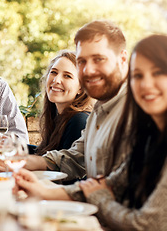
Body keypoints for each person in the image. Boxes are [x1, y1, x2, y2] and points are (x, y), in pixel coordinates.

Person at [11, 20, 130, 200]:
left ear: (121, 59)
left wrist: (46, 192)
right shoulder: (100, 109)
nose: (88, 70)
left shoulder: (136, 111)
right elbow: (75, 157)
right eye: (82, 61)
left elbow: (115, 189)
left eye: (98, 59)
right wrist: (25, 162)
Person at [78, 34, 167, 230]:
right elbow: (108, 184)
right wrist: (39, 189)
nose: (146, 84)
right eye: (138, 75)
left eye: (158, 72)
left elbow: (143, 225)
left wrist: (99, 198)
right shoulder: (149, 139)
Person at [34, 50, 94, 155]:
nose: (56, 80)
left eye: (67, 76)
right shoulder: (58, 116)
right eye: (54, 72)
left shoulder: (79, 121)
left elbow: (60, 166)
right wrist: (13, 146)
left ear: (81, 88)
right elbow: (45, 154)